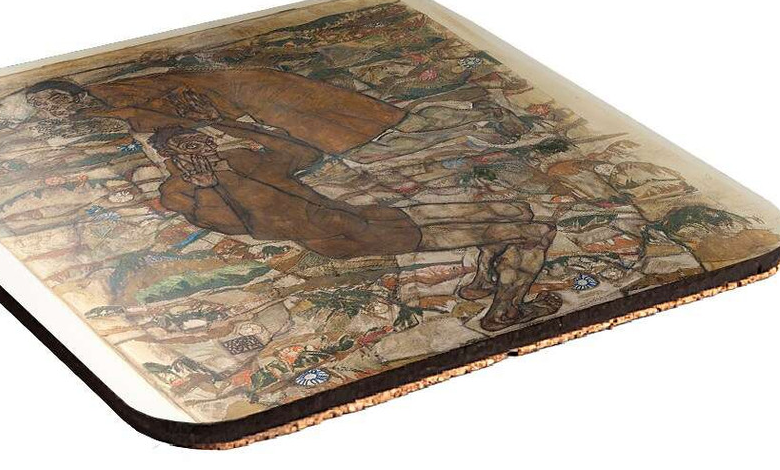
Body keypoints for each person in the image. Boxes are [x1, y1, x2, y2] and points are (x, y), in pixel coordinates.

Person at [48, 68, 559, 330]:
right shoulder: (181, 190)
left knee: (513, 210)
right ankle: (503, 313)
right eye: (184, 148)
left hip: (357, 216)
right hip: (347, 235)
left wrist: (228, 127)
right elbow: (252, 226)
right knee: (533, 232)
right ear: (167, 156)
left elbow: (302, 153)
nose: (197, 150)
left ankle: (481, 284)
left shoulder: (239, 160)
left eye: (200, 141)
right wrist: (210, 186)